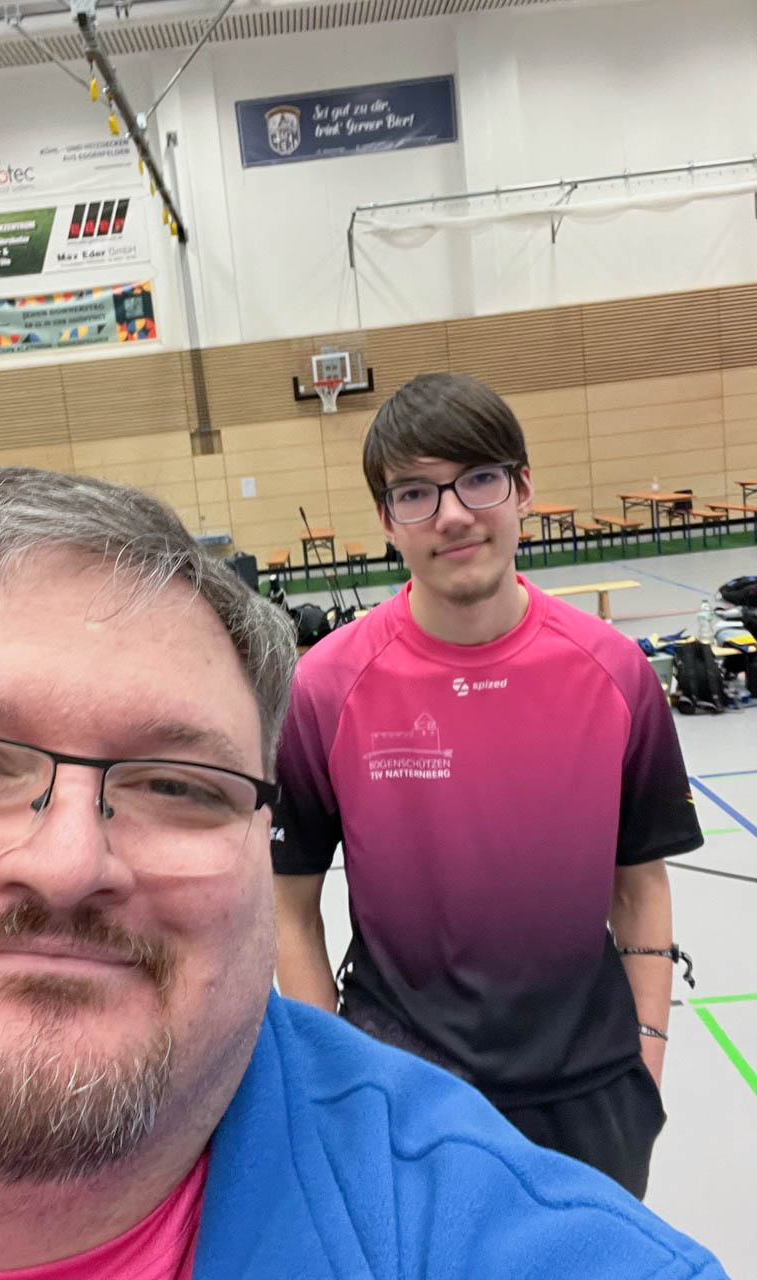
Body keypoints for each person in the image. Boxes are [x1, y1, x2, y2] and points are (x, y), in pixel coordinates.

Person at [0, 465, 726, 1279]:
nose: (67, 863)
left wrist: (644, 1044)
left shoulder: (537, 1244)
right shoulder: (343, 683)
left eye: (176, 785)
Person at [272, 373, 704, 1201]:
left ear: (523, 488)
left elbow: (641, 886)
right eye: (415, 493)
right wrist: (333, 1080)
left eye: (478, 478)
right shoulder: (325, 688)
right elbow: (288, 905)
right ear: (386, 520)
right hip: (400, 1089)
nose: (452, 514)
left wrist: (646, 1059)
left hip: (591, 1093)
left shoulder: (616, 673)